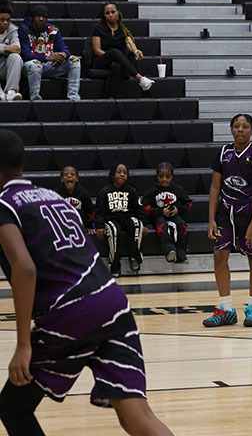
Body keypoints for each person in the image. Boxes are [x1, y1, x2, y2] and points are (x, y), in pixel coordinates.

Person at [0, 130, 173, 436]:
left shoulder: (6, 204)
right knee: (137, 415)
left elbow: (24, 269)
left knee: (13, 407)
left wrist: (23, 344)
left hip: (71, 310)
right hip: (113, 300)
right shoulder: (53, 197)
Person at [205, 113, 252, 328]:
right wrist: (211, 219)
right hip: (225, 212)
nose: (240, 129)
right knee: (219, 255)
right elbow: (215, 187)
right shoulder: (223, 153)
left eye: (245, 126)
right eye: (236, 126)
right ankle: (225, 309)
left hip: (249, 212)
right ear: (231, 130)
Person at [91, 2, 155, 99]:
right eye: (107, 13)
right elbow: (96, 50)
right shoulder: (98, 28)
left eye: (113, 12)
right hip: (101, 60)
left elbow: (129, 43)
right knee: (115, 52)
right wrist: (112, 56)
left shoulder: (123, 29)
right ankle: (140, 78)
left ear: (118, 13)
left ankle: (111, 97)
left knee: (118, 66)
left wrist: (136, 51)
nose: (111, 15)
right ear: (104, 15)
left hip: (117, 61)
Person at [95, 163, 147, 278]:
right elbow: (99, 211)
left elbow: (139, 209)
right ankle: (115, 265)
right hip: (111, 219)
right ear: (113, 175)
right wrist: (99, 226)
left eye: (125, 173)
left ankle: (134, 256)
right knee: (114, 231)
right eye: (119, 172)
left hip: (127, 217)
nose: (122, 175)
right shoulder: (105, 191)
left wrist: (144, 223)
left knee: (137, 224)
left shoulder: (132, 191)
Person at [19, 5, 81, 101]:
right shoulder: (24, 29)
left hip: (50, 66)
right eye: (38, 16)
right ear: (32, 18)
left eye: (44, 17)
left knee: (74, 60)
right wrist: (47, 58)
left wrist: (63, 55)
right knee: (35, 65)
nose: (41, 19)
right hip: (30, 67)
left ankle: (73, 97)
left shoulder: (53, 30)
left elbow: (64, 48)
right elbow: (25, 54)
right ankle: (35, 99)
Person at [142, 162, 192, 264]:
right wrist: (160, 211)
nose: (164, 179)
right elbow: (145, 207)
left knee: (182, 225)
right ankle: (169, 250)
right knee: (162, 226)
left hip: (174, 215)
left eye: (167, 176)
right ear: (157, 176)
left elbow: (188, 203)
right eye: (161, 176)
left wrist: (178, 210)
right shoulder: (153, 190)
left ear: (172, 177)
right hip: (158, 216)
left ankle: (181, 253)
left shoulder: (177, 189)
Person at [54, 166, 94, 232]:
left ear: (77, 179)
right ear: (62, 179)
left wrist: (89, 226)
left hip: (80, 226)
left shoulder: (84, 194)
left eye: (72, 174)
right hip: (61, 226)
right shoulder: (56, 194)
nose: (69, 176)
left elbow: (89, 212)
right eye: (66, 174)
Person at [0, 0, 22, 101]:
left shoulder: (12, 29)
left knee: (16, 57)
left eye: (8, 20)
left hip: (4, 67)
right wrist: (7, 48)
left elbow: (17, 49)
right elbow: (12, 47)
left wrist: (3, 48)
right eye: (2, 20)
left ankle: (11, 92)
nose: (5, 23)